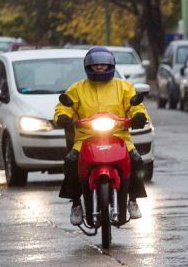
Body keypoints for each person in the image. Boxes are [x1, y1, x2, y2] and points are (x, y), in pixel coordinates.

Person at [53, 47, 150, 226]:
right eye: (96, 65)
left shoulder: (124, 87)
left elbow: (136, 105)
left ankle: (133, 200)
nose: (100, 68)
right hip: (85, 139)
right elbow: (63, 106)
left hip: (119, 137)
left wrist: (139, 116)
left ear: (110, 65)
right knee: (71, 161)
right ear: (88, 66)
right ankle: (75, 203)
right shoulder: (77, 88)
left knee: (136, 160)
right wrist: (63, 117)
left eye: (103, 65)